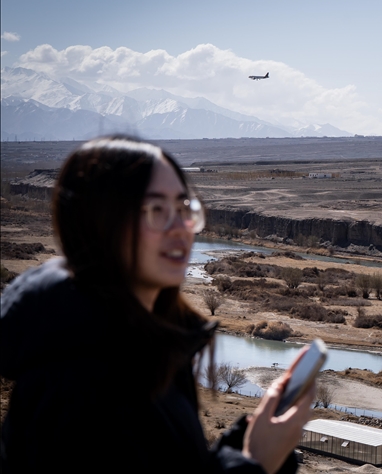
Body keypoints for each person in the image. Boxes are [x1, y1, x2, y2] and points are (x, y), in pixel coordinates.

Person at [0, 135, 314, 473]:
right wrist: (257, 464)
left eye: (183, 208)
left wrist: (241, 447)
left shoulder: (142, 345)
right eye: (156, 210)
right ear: (101, 223)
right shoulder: (81, 383)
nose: (180, 228)